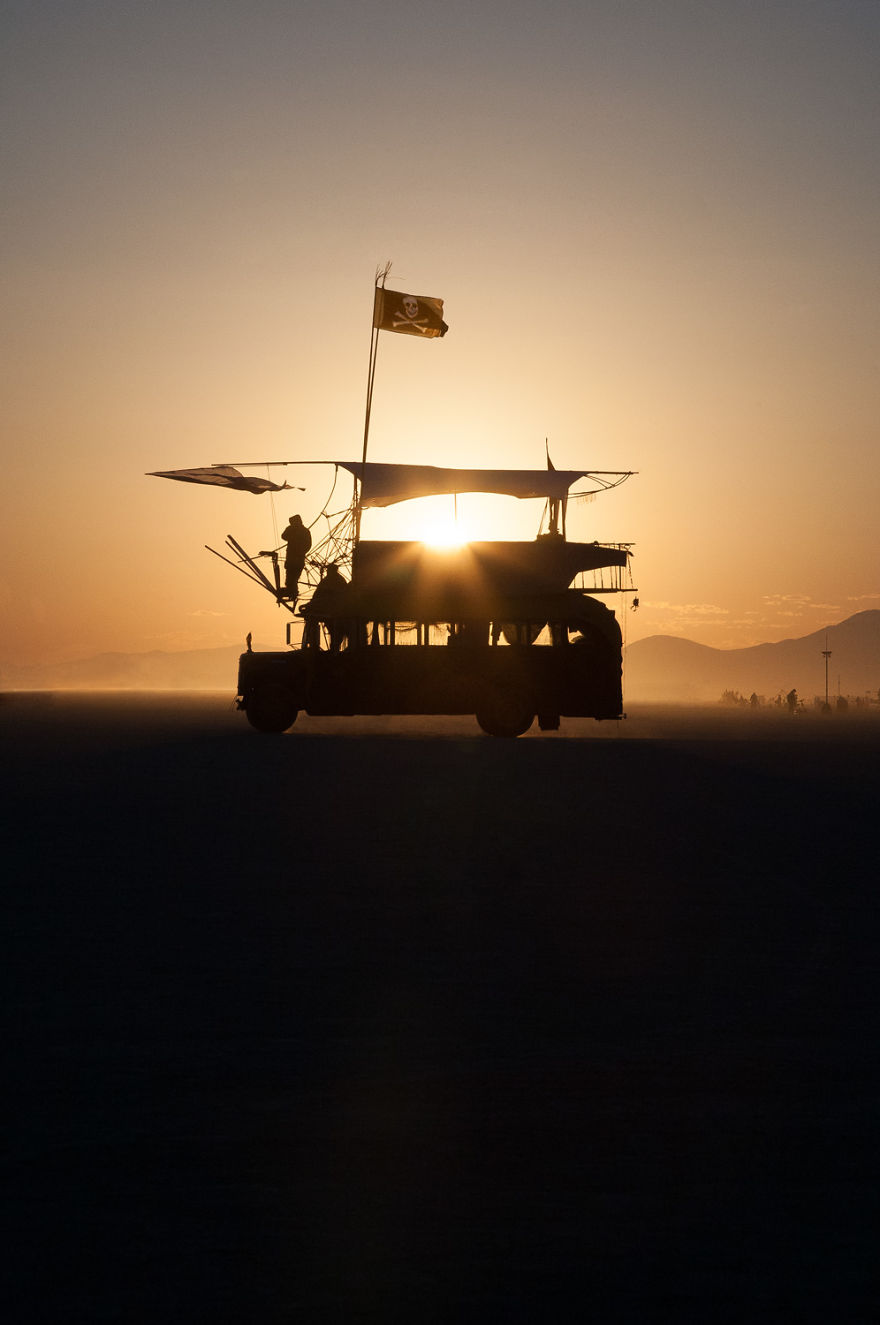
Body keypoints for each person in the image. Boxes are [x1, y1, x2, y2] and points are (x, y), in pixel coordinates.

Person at [281, 514, 312, 598]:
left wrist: (300, 552)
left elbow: (308, 545)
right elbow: (283, 536)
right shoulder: (298, 530)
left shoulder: (304, 531)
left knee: (293, 578)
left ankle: (292, 592)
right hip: (294, 558)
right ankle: (291, 591)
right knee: (290, 578)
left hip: (297, 559)